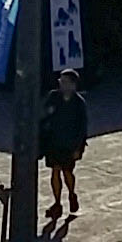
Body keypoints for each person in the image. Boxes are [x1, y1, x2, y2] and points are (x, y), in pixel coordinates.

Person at [40, 70, 90, 220]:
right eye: (61, 81)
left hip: (70, 144)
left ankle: (72, 193)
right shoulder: (53, 97)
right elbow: (44, 115)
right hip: (54, 142)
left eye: (65, 81)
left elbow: (82, 127)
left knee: (67, 172)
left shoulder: (79, 103)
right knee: (55, 171)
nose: (61, 83)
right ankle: (57, 203)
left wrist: (78, 147)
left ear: (73, 85)